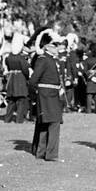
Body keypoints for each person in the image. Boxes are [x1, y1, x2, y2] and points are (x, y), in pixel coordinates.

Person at [28, 29, 65, 162]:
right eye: (54, 45)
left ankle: (41, 152)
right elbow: (33, 81)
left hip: (52, 95)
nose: (57, 47)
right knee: (54, 123)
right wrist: (36, 95)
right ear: (47, 46)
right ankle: (51, 154)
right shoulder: (43, 59)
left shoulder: (50, 59)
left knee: (45, 124)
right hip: (46, 95)